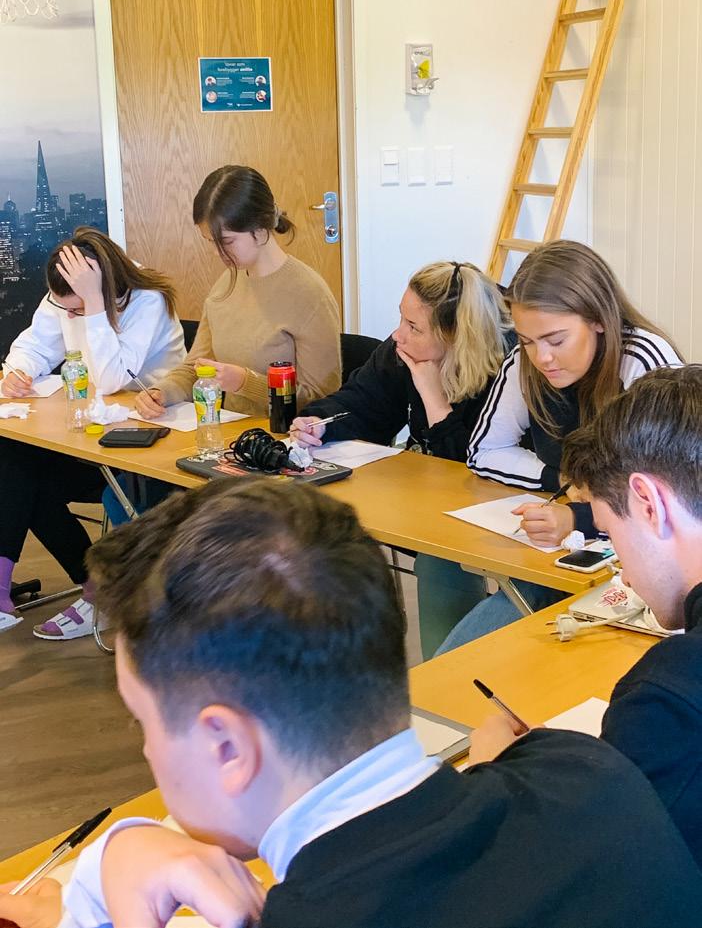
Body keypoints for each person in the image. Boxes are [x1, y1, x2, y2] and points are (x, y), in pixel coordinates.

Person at [2, 478, 702, 928]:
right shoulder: (590, 775)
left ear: (226, 745)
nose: (147, 748)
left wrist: (98, 875)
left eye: (145, 721)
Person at [465, 365, 702, 868]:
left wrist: (500, 780)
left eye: (611, 534)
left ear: (649, 503)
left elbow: (586, 869)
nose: (627, 579)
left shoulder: (669, 694)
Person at [437, 239, 682, 652]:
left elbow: (667, 493)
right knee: (504, 600)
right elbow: (484, 451)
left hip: (650, 567)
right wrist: (562, 478)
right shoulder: (524, 364)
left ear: (598, 320)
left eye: (555, 340)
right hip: (566, 557)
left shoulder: (644, 362)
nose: (541, 358)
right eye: (527, 341)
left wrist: (578, 517)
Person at [290, 260, 513, 656]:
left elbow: (476, 470)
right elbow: (361, 402)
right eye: (401, 319)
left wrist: (433, 397)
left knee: (438, 557)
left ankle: (445, 673)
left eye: (414, 327)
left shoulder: (508, 369)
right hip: (425, 497)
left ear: (455, 335)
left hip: (495, 510)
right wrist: (319, 421)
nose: (399, 334)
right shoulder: (400, 353)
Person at [0, 227, 185, 639]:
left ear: (102, 285)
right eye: (64, 308)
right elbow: (33, 345)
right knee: (16, 462)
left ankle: (98, 589)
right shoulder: (67, 297)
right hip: (93, 434)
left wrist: (95, 306)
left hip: (148, 446)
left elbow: (112, 378)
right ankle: (92, 584)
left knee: (25, 477)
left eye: (77, 309)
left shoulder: (147, 300)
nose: (69, 317)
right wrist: (19, 371)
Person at [133, 164, 340, 424]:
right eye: (212, 242)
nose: (218, 253)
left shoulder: (309, 294)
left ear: (261, 227)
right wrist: (161, 392)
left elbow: (321, 401)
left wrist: (246, 383)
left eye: (227, 241)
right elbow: (196, 368)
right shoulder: (227, 284)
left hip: (286, 437)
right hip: (232, 434)